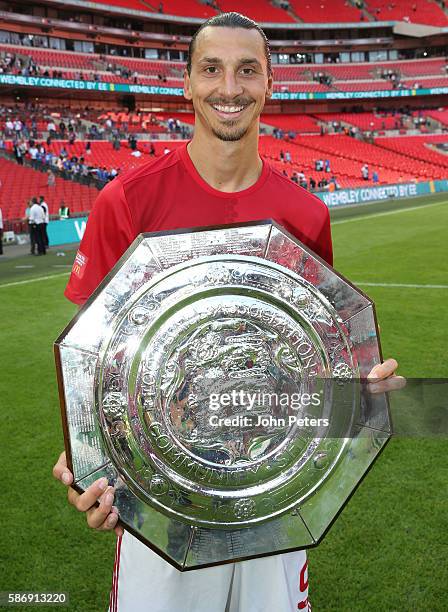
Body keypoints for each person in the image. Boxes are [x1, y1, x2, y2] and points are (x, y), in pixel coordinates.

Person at [53, 13, 400, 612]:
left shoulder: (306, 216)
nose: (229, 87)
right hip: (164, 501)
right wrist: (86, 453)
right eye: (211, 69)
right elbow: (91, 358)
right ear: (187, 83)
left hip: (271, 495)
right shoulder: (128, 201)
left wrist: (357, 396)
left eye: (247, 70)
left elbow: (307, 362)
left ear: (269, 85)